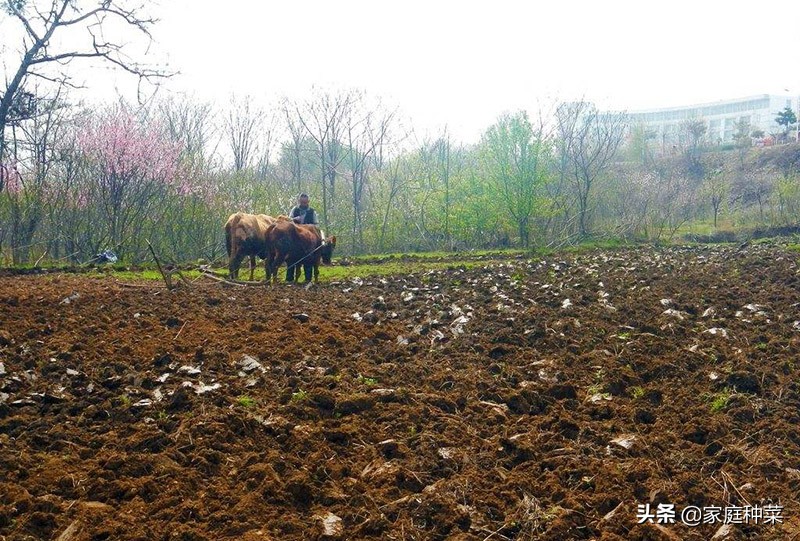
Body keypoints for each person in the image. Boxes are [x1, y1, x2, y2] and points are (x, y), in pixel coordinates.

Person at [287, 193, 319, 282]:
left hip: (308, 240)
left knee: (308, 258)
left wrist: (307, 226)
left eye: (305, 202)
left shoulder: (312, 212)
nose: (303, 204)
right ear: (299, 201)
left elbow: (316, 225)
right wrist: (294, 220)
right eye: (302, 202)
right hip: (296, 238)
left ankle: (308, 279)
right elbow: (289, 221)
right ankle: (289, 279)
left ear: (308, 202)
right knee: (291, 258)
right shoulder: (294, 210)